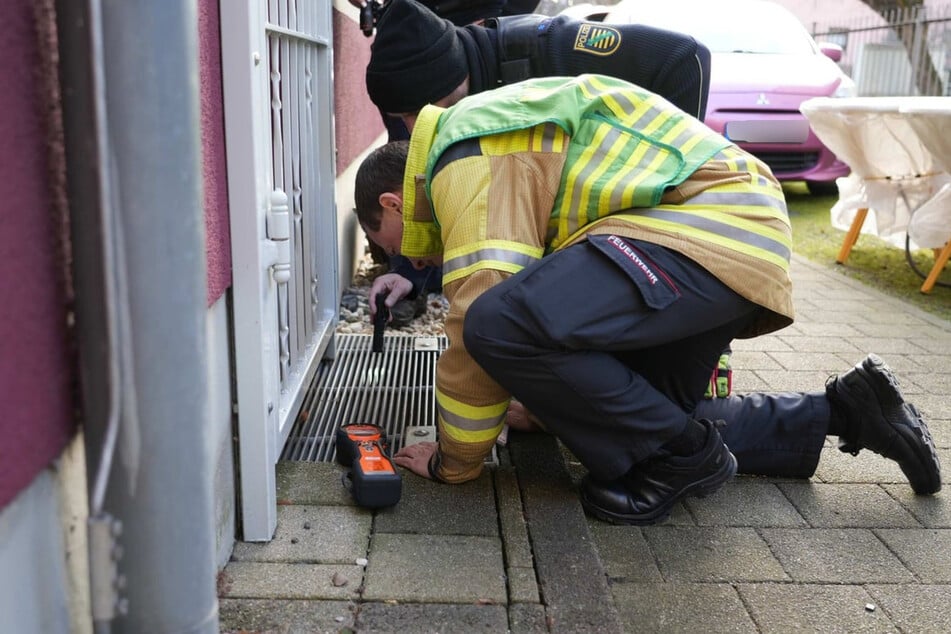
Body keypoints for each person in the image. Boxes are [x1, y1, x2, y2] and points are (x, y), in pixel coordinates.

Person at [353, 74, 941, 525]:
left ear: (393, 204)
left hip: (701, 232)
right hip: (732, 240)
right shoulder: (481, 133)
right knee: (642, 422)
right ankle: (848, 409)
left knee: (494, 323)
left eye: (390, 247)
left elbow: (485, 308)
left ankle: (683, 458)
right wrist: (550, 402)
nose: (412, 261)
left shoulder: (464, 153)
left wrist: (453, 461)